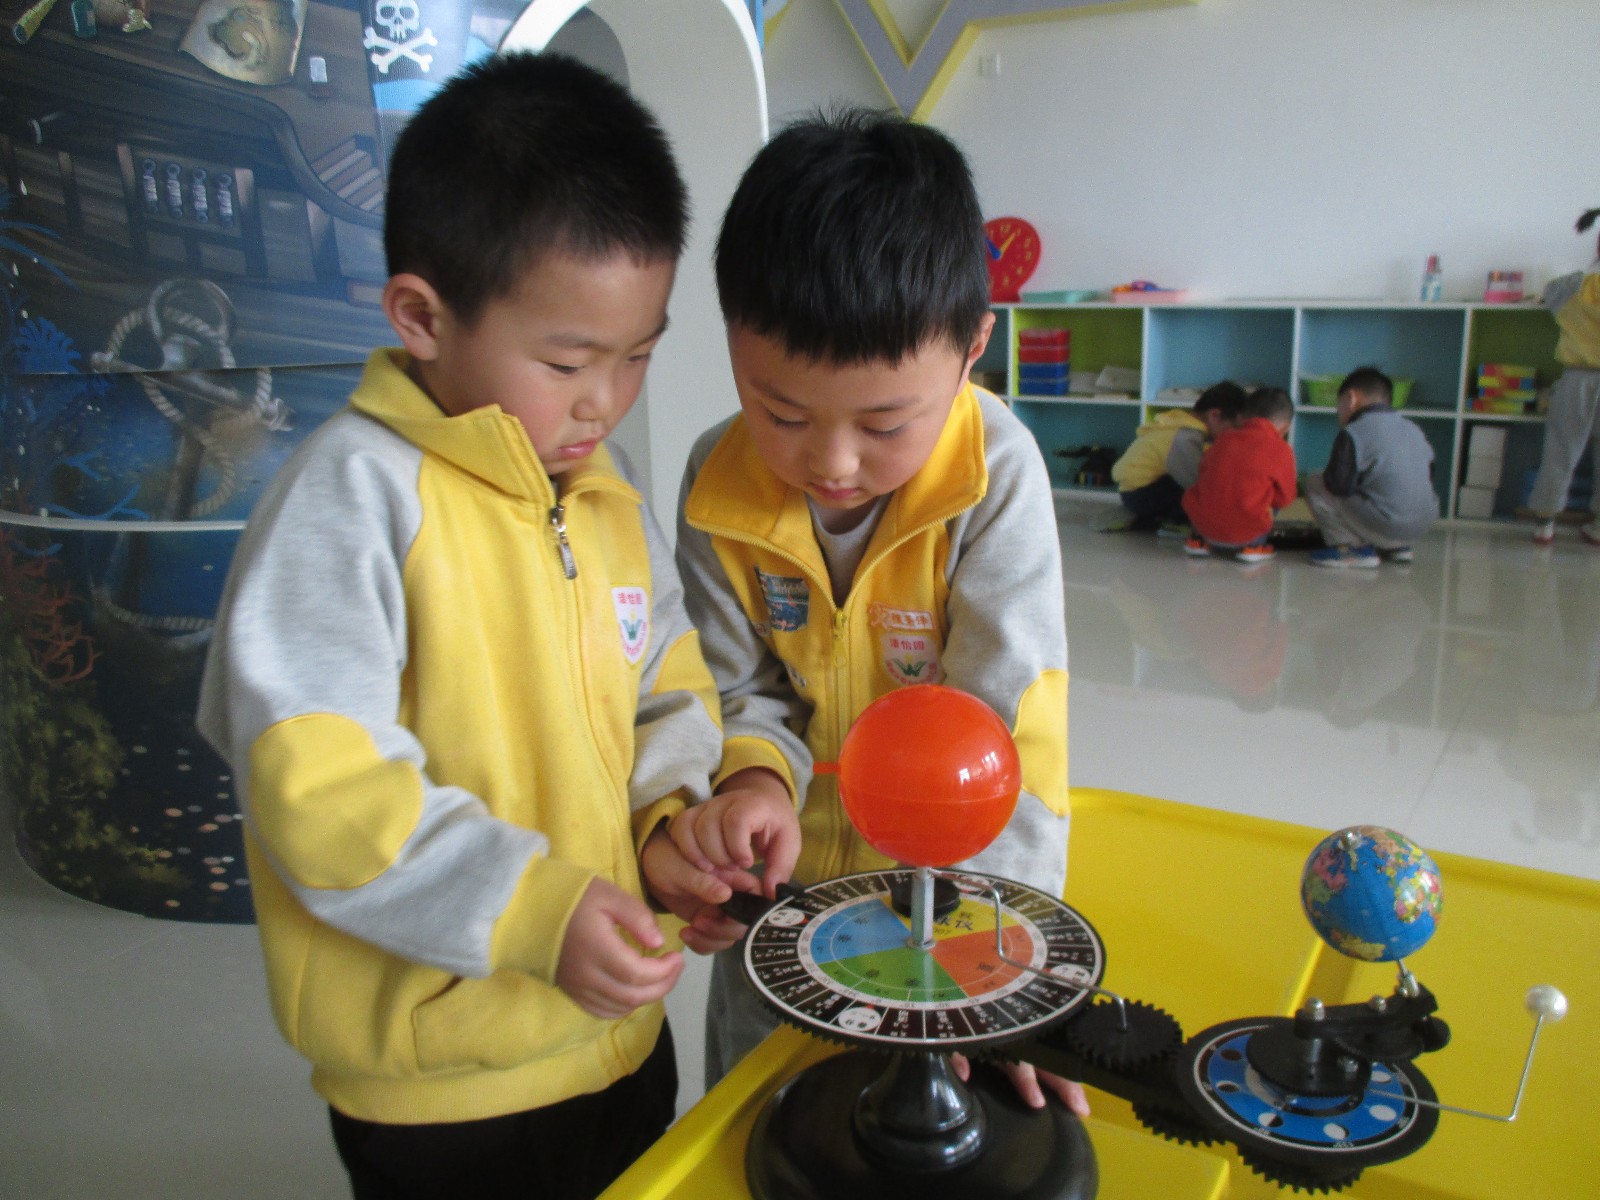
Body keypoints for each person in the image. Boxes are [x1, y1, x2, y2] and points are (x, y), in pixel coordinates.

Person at [195, 53, 796, 1200]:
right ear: (423, 317)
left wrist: (673, 828)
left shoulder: (603, 491)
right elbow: (317, 784)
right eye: (567, 361)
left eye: (637, 355)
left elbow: (664, 686)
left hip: (618, 1036)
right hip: (443, 1085)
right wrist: (530, 909)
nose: (604, 401)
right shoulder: (351, 500)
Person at [671, 108, 1084, 1117]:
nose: (832, 462)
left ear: (972, 347)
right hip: (785, 904)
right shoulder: (717, 482)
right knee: (761, 1119)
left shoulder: (995, 475)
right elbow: (732, 689)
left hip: (956, 897)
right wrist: (746, 793)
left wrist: (1001, 960)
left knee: (941, 1127)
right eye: (781, 412)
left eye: (886, 423)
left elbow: (1007, 728)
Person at [1304, 366, 1439, 568]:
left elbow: (1338, 486)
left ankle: (1350, 549)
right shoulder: (1413, 429)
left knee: (1315, 481)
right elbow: (1428, 475)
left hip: (1388, 527)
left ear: (1351, 398)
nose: (1338, 413)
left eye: (1339, 406)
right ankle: (1399, 548)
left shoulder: (1354, 432)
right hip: (1420, 527)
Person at [1528, 208, 1600, 547]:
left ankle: (1545, 522)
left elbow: (1549, 293)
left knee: (1560, 450)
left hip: (1578, 378)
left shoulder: (1573, 286)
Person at [1108, 380, 1245, 531]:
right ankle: (1170, 521)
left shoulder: (1182, 426)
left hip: (1140, 489)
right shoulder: (1183, 438)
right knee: (1202, 496)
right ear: (1214, 415)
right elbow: (1196, 482)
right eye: (1235, 428)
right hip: (1139, 495)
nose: (1236, 435)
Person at [1181, 386, 1296, 563]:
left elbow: (1202, 475)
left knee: (1204, 491)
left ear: (1242, 417)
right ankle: (1253, 547)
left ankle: (1198, 541)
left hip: (1204, 527)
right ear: (1285, 428)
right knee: (1271, 494)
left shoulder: (1223, 439)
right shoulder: (1282, 450)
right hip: (1245, 535)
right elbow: (1285, 498)